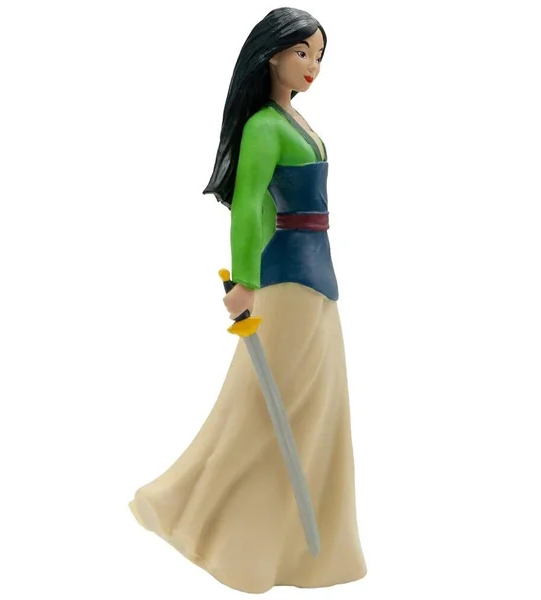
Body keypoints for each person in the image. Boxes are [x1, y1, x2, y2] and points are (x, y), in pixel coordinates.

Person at [128, 7, 367, 593]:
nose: (312, 66)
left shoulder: (295, 121)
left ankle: (304, 551)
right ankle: (194, 515)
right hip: (287, 283)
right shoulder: (264, 126)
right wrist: (244, 281)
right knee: (262, 412)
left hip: (319, 278)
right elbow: (250, 206)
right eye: (302, 52)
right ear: (272, 55)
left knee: (317, 411)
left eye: (319, 56)